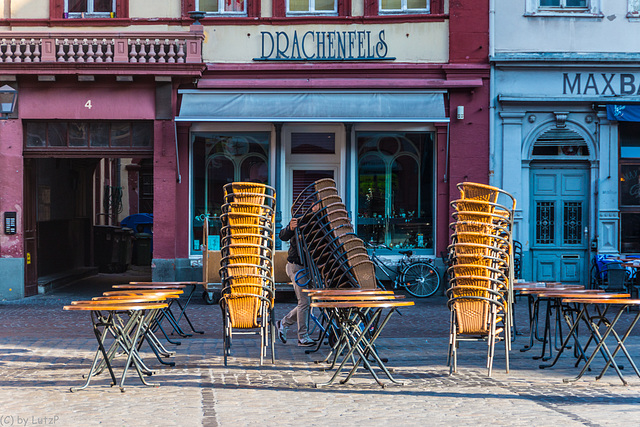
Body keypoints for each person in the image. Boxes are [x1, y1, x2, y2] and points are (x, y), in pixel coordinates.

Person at [276, 202, 320, 347]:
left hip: (311, 268)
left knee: (307, 303)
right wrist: (290, 227)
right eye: (316, 204)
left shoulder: (322, 223)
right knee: (304, 302)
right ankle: (302, 337)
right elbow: (282, 235)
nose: (317, 207)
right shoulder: (302, 220)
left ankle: (283, 323)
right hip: (296, 266)